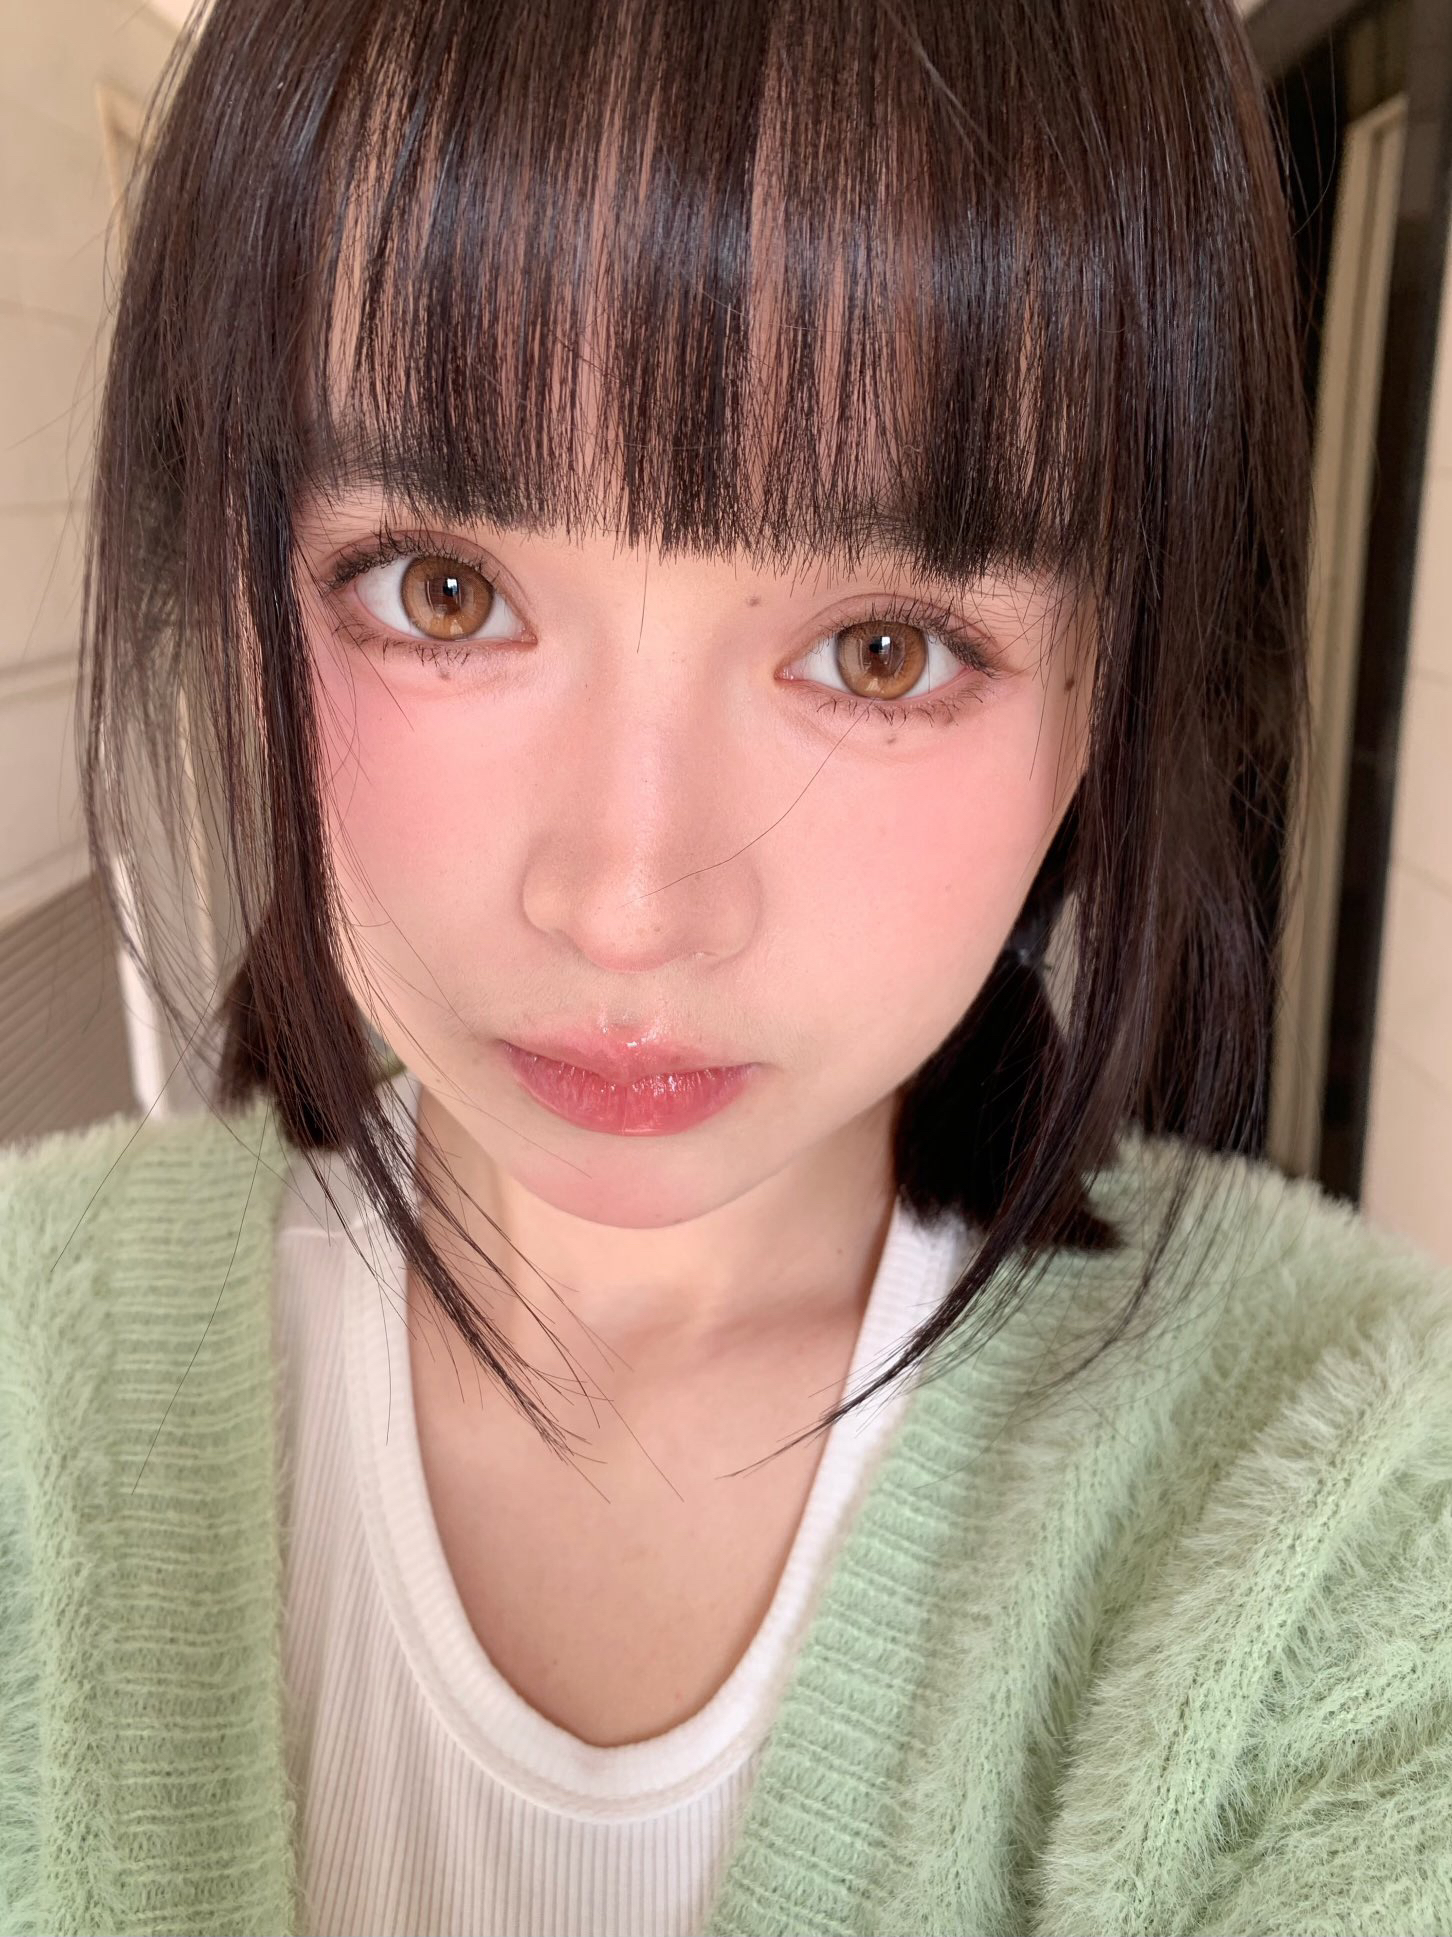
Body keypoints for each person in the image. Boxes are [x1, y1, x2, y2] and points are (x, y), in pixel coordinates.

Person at [2, 0, 1450, 1932]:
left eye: (880, 648)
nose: (630, 904)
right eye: (446, 590)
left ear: (1112, 686)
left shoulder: (1351, 1517)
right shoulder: (35, 1396)